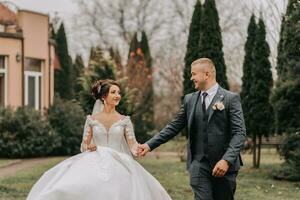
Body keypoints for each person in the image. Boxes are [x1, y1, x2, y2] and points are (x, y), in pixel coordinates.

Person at [27, 79, 172, 200]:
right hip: (95, 161)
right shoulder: (91, 119)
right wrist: (88, 146)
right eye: (113, 92)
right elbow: (84, 144)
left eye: (118, 92)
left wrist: (141, 149)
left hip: (119, 163)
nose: (118, 95)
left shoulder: (125, 120)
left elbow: (132, 145)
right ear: (103, 96)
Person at [138, 58, 246, 200]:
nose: (191, 78)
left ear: (206, 74)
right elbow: (174, 126)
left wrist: (226, 160)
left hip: (224, 166)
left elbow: (239, 133)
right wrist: (149, 144)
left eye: (194, 74)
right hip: (198, 164)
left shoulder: (230, 99)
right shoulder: (189, 99)